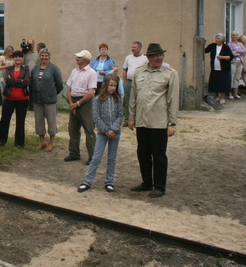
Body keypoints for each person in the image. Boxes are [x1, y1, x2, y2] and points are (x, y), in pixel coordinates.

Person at [128, 43, 179, 198]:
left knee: (158, 155)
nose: (159, 58)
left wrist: (172, 123)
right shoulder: (138, 73)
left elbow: (173, 99)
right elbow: (133, 96)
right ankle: (147, 182)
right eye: (156, 55)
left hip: (159, 122)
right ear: (148, 57)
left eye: (161, 55)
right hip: (142, 121)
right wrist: (131, 117)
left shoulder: (170, 74)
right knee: (142, 153)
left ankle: (159, 186)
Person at [77, 74, 123, 193]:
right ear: (105, 85)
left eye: (115, 86)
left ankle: (109, 181)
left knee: (112, 158)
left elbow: (120, 116)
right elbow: (96, 117)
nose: (112, 88)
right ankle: (87, 181)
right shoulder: (97, 99)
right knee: (96, 157)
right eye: (110, 85)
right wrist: (106, 130)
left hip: (115, 133)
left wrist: (113, 129)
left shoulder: (118, 100)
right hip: (103, 133)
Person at [64, 50, 97, 164]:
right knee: (73, 129)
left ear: (86, 60)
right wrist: (71, 103)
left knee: (89, 129)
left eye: (79, 57)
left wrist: (77, 104)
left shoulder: (92, 73)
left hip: (85, 103)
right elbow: (68, 89)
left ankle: (93, 157)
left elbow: (91, 93)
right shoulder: (74, 71)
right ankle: (74, 153)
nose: (77, 58)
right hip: (74, 100)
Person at [30, 48, 63, 151]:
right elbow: (32, 83)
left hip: (50, 100)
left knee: (51, 121)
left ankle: (51, 143)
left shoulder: (54, 68)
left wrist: (52, 93)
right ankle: (42, 142)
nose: (44, 57)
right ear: (39, 56)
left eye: (46, 55)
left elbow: (60, 84)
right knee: (39, 121)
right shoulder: (35, 68)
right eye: (42, 55)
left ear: (49, 56)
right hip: (37, 99)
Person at [0, 50, 30, 147]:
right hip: (9, 99)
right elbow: (7, 81)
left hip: (22, 99)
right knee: (5, 120)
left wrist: (14, 81)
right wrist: (20, 81)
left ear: (22, 59)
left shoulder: (26, 69)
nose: (18, 58)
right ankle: (1, 141)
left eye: (20, 56)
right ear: (13, 58)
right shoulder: (9, 68)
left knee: (20, 121)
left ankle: (19, 143)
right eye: (16, 56)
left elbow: (26, 82)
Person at [122, 41, 148, 125]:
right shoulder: (128, 58)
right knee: (128, 101)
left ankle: (138, 119)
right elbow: (124, 70)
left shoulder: (145, 58)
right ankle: (127, 120)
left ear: (139, 48)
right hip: (129, 82)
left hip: (140, 83)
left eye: (134, 47)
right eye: (132, 47)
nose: (132, 49)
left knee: (139, 101)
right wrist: (125, 82)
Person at [205, 33, 233, 105]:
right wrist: (203, 42)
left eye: (218, 38)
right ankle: (218, 96)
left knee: (223, 83)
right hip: (215, 68)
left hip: (224, 68)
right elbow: (205, 50)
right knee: (216, 82)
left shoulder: (226, 47)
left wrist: (222, 57)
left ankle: (223, 97)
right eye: (216, 38)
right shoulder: (213, 46)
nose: (216, 40)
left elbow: (230, 57)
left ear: (222, 40)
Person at [227, 31, 246, 99]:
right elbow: (231, 53)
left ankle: (235, 93)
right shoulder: (229, 44)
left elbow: (244, 51)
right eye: (233, 35)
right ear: (231, 36)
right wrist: (239, 53)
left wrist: (237, 51)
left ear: (238, 36)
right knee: (231, 78)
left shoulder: (240, 43)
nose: (234, 36)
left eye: (236, 35)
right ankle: (230, 94)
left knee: (237, 78)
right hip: (233, 62)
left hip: (240, 62)